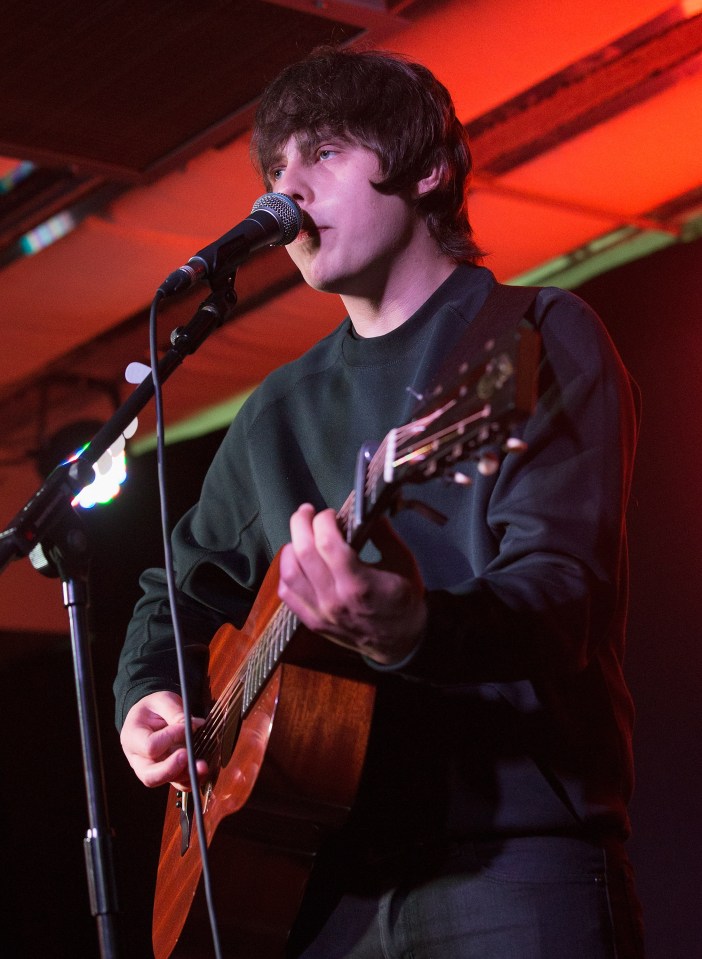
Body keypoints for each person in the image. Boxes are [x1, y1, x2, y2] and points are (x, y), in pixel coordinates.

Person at [114, 46, 645, 958]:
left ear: (429, 168)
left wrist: (414, 630)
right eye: (274, 169)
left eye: (321, 152)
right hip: (321, 880)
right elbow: (175, 592)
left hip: (510, 859)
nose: (285, 191)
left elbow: (568, 594)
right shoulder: (277, 409)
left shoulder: (529, 339)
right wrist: (147, 697)